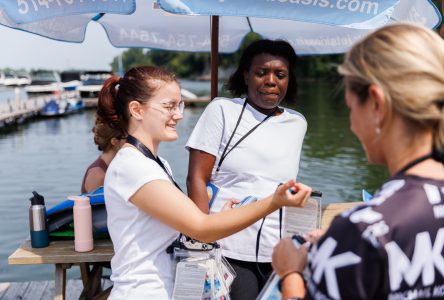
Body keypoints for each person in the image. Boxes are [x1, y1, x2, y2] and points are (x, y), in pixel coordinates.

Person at [97, 65, 313, 299]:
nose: (178, 114)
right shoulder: (133, 166)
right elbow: (201, 229)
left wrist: (224, 215)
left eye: (179, 105)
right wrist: (274, 201)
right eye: (169, 106)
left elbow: (188, 225)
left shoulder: (157, 163)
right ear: (136, 110)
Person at [272, 23, 444, 299]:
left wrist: (290, 273)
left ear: (376, 104)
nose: (351, 125)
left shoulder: (362, 230)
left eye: (351, 108)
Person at [186, 39, 306, 299]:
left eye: (280, 74)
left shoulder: (297, 123)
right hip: (229, 248)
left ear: (289, 80)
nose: (271, 80)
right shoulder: (222, 110)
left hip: (278, 250)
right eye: (261, 72)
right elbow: (196, 177)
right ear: (246, 76)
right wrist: (202, 240)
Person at [81, 117, 125, 194]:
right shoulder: (98, 174)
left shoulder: (112, 166)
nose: (131, 142)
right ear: (114, 142)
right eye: (127, 138)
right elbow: (95, 205)